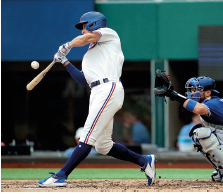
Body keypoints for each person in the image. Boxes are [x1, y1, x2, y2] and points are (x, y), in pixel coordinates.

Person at [38, 11, 156, 187]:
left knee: (87, 134)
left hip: (109, 87)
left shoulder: (109, 34)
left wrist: (66, 46)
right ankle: (144, 161)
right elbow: (82, 80)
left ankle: (61, 175)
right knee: (102, 145)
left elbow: (85, 39)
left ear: (94, 24)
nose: (83, 30)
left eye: (85, 26)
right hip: (97, 91)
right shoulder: (89, 55)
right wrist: (64, 61)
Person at [154, 74, 223, 183]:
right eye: (192, 90)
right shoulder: (208, 103)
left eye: (196, 90)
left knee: (203, 133)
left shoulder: (213, 102)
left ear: (208, 92)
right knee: (197, 136)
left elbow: (197, 108)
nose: (192, 93)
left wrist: (173, 94)